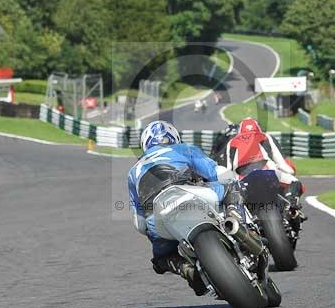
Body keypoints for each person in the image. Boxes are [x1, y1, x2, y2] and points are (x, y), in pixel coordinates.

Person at [127, 120, 232, 295]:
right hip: (193, 194)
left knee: (161, 258)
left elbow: (140, 223)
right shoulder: (184, 148)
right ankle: (237, 221)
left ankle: (186, 269)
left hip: (157, 219)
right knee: (231, 186)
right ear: (174, 137)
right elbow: (215, 172)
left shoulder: (133, 171)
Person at [223, 118, 307, 221]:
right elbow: (286, 167)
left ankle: (241, 219)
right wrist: (291, 171)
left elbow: (227, 172)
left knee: (233, 202)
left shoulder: (231, 143)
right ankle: (291, 206)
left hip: (242, 180)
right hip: (268, 173)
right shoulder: (265, 136)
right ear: (258, 128)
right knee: (294, 182)